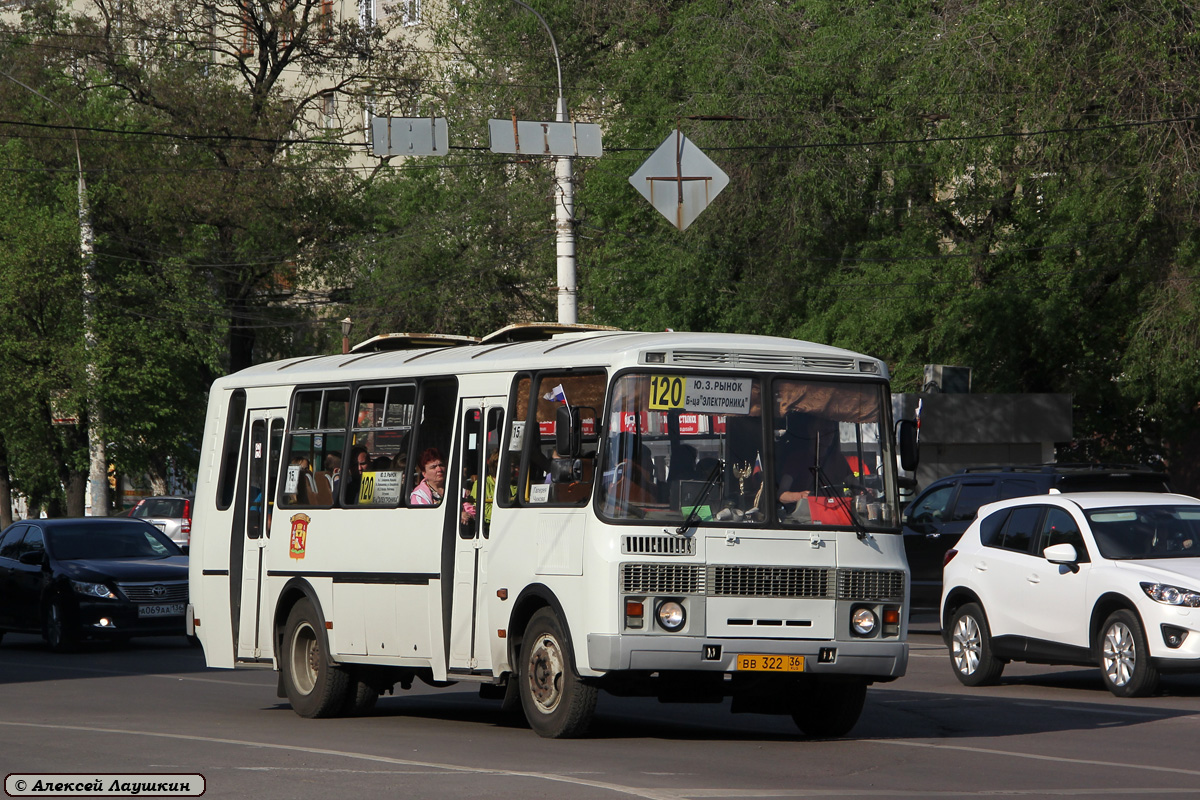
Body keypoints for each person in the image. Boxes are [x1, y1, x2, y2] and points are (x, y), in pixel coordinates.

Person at [775, 414, 851, 512]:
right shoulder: (797, 458)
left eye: (831, 432)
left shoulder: (837, 459)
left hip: (837, 516)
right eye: (824, 431)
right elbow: (781, 495)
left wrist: (863, 491)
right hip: (806, 517)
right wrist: (800, 495)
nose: (828, 436)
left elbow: (853, 484)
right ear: (812, 432)